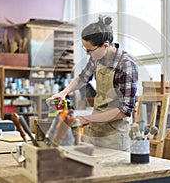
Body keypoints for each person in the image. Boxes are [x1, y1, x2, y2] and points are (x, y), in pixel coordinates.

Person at [46, 15, 138, 151]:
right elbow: (82, 78)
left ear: (105, 45)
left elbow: (124, 110)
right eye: (86, 50)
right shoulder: (97, 58)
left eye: (90, 50)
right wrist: (63, 93)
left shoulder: (126, 65)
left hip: (115, 135)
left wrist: (87, 118)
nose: (88, 54)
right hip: (96, 129)